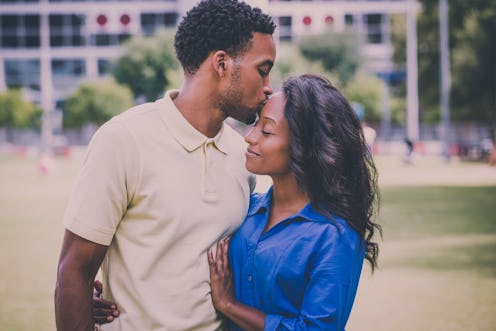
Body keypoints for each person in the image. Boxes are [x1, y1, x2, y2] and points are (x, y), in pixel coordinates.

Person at [54, 0, 276, 330]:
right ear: (221, 64)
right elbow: (74, 271)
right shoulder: (123, 139)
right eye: (263, 69)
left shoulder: (243, 156)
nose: (269, 85)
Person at [96, 74, 381, 330]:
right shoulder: (245, 209)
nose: (249, 137)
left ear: (306, 149)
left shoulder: (335, 235)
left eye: (266, 131)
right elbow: (177, 249)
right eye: (256, 124)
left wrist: (231, 306)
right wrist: (101, 290)